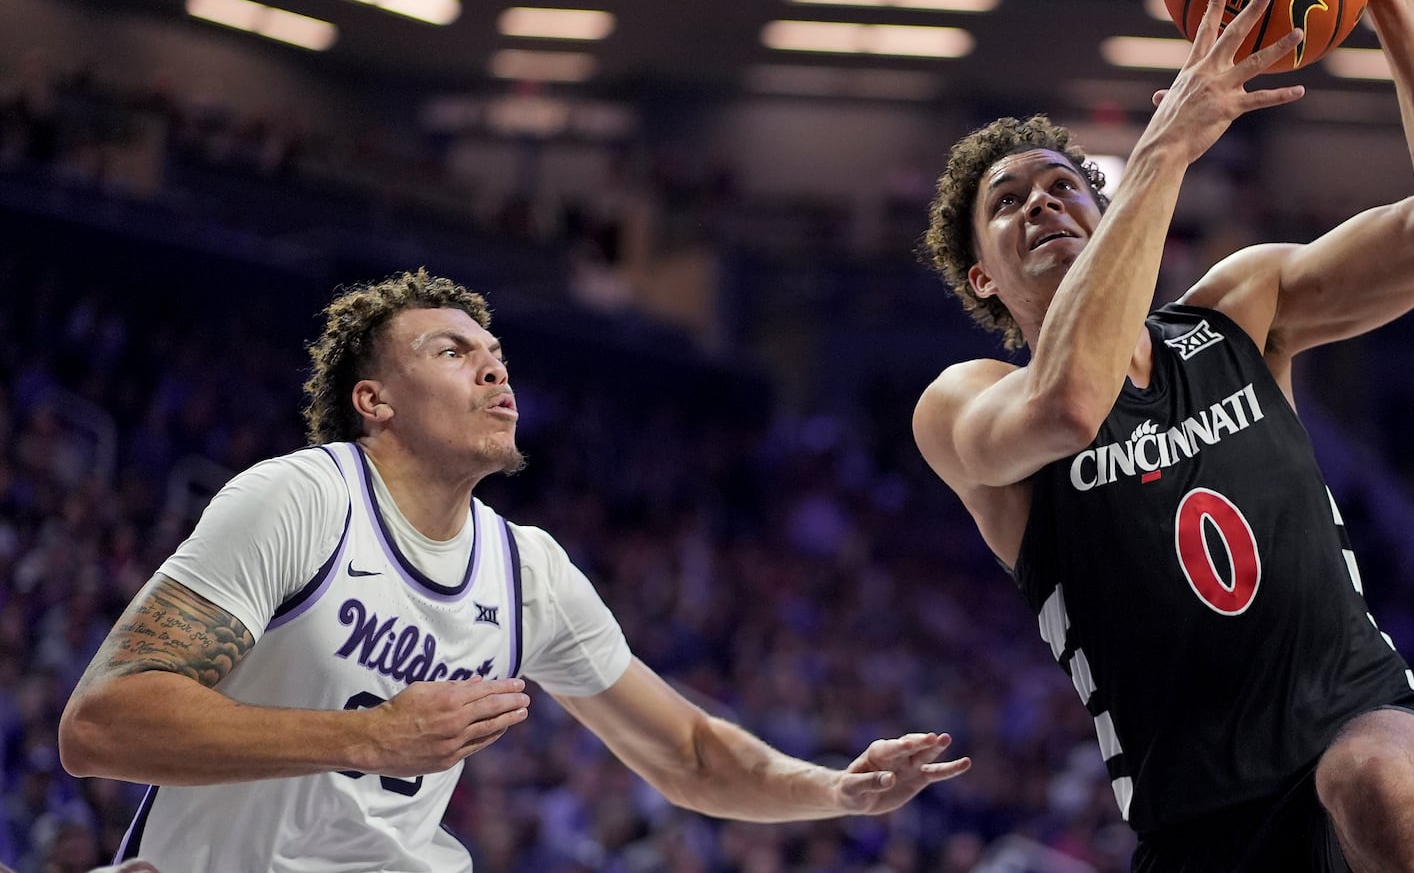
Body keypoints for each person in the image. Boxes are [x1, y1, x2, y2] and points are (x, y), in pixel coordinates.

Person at [911, 0, 1414, 873]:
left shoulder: (1239, 308)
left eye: (1064, 185)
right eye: (1008, 202)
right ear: (979, 276)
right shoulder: (966, 405)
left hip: (1371, 729)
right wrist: (1157, 152)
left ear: (1109, 217)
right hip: (1200, 830)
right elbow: (1070, 404)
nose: (1044, 201)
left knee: (1366, 780)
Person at [58, 268, 971, 872]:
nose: (495, 370)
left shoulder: (524, 566)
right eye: (452, 351)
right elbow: (101, 724)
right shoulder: (303, 497)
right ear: (372, 400)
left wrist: (836, 788)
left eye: (497, 356)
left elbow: (689, 751)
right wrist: (368, 740)